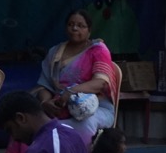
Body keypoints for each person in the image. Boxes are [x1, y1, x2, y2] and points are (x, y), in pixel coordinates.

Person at [33, 9, 120, 142]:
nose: (74, 28)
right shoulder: (55, 52)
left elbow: (100, 83)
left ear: (89, 30)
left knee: (84, 125)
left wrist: (71, 92)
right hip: (59, 108)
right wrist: (45, 102)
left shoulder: (98, 50)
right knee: (29, 121)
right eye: (70, 24)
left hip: (95, 108)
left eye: (80, 26)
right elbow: (44, 85)